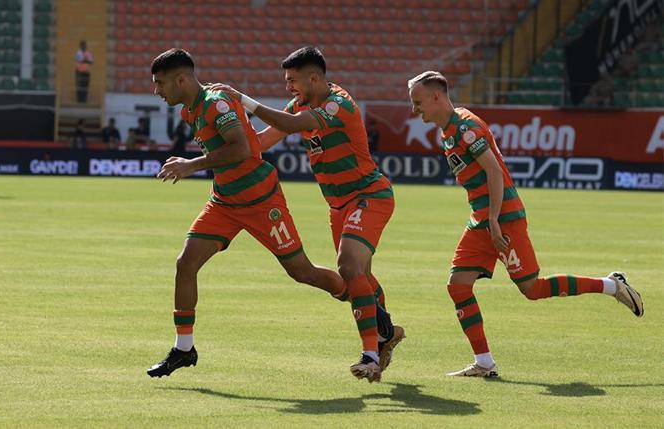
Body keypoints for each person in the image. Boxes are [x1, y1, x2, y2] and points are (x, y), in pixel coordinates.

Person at [146, 48, 388, 381]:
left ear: (180, 79)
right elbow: (257, 142)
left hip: (263, 201)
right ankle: (184, 348)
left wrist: (194, 163)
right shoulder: (193, 110)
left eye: (160, 84)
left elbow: (244, 147)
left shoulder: (218, 104)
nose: (156, 91)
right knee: (185, 263)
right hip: (225, 202)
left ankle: (370, 310)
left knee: (302, 272)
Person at [406, 71, 644, 378]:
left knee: (532, 289)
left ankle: (612, 285)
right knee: (457, 286)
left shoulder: (466, 128)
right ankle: (485, 363)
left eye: (417, 102)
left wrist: (493, 220)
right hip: (481, 220)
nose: (414, 110)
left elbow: (494, 173)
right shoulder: (449, 130)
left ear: (436, 97)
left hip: (502, 219)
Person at [208, 46, 405, 382]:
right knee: (363, 279)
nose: (289, 87)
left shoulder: (336, 104)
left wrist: (243, 99)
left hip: (369, 195)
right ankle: (386, 333)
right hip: (338, 205)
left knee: (348, 267)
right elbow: (262, 140)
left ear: (314, 77)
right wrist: (222, 144)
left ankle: (370, 353)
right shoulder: (299, 104)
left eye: (292, 80)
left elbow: (290, 123)